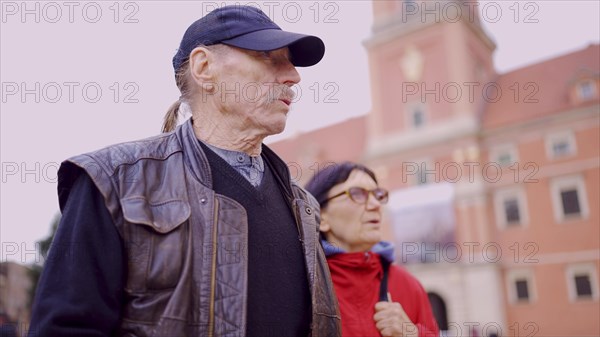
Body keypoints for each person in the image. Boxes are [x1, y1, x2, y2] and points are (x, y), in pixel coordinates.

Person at [29, 5, 341, 337]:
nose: (293, 76)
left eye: (290, 61)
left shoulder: (305, 207)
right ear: (204, 67)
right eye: (269, 57)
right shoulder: (115, 181)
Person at [305, 162, 439, 337]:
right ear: (321, 217)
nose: (376, 204)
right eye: (357, 194)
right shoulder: (301, 287)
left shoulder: (406, 283)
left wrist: (412, 333)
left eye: (378, 195)